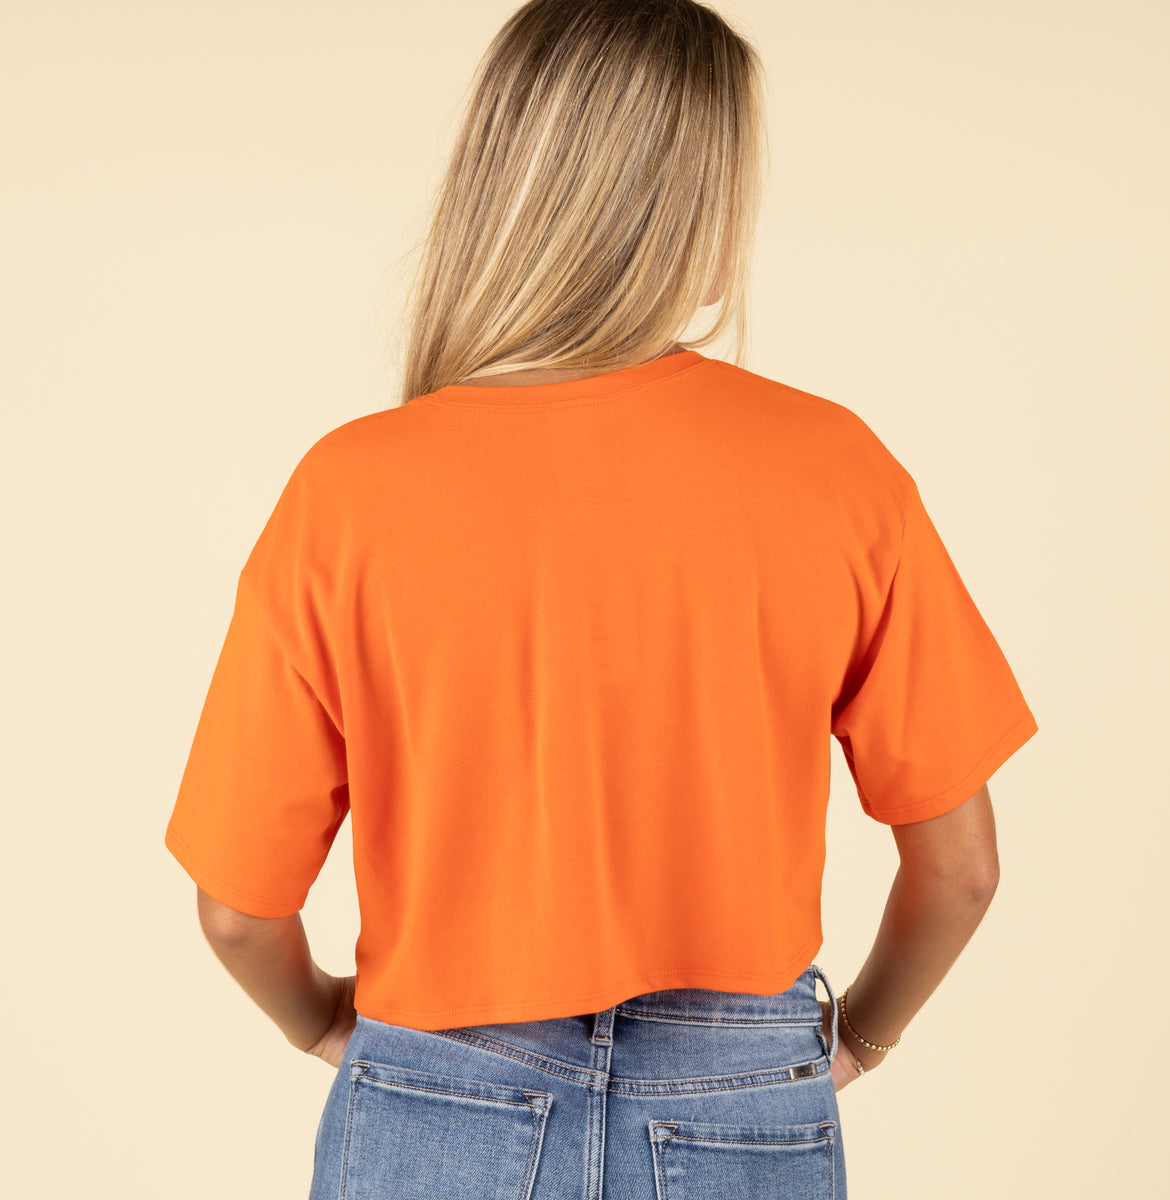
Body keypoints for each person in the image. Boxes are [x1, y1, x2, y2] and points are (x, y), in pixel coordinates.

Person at [164, 2, 1038, 1197]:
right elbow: (963, 871)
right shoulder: (836, 469)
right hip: (742, 1098)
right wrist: (858, 1039)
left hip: (439, 1090)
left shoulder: (349, 490)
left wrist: (321, 1020)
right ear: (705, 208)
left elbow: (235, 912)